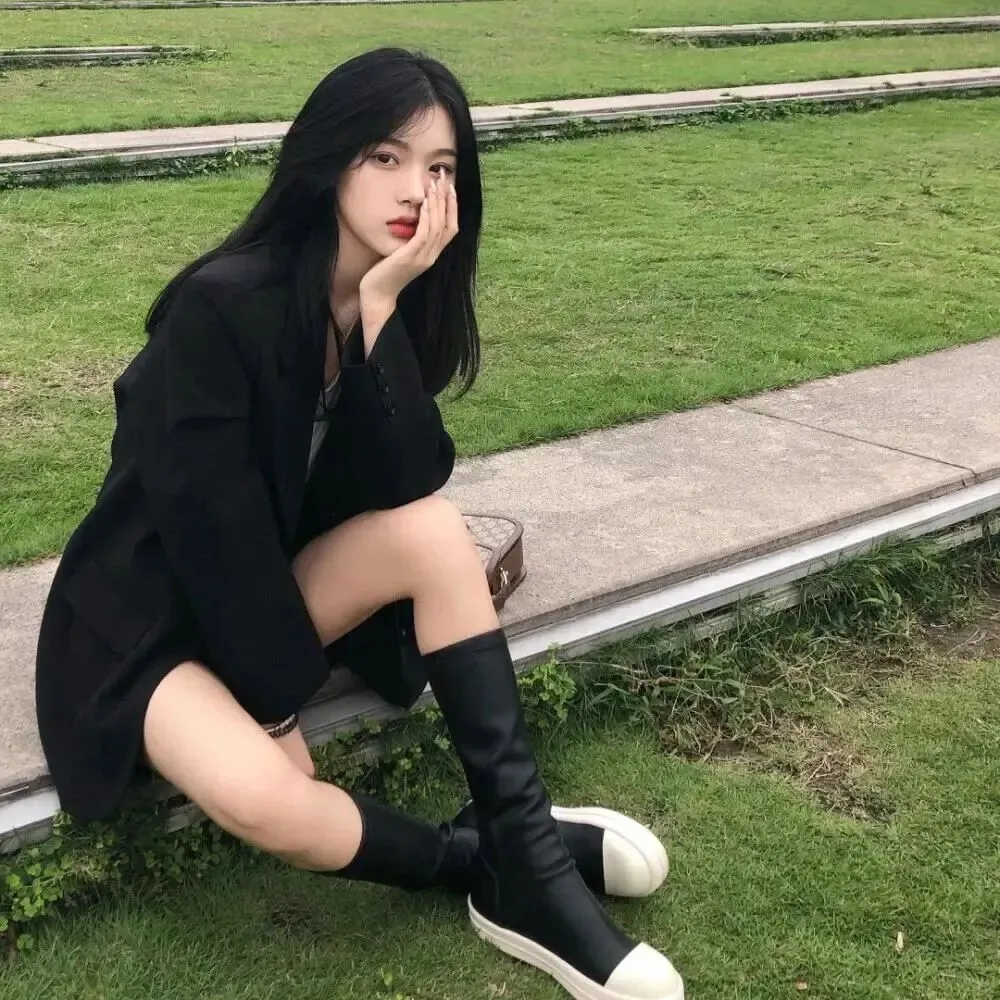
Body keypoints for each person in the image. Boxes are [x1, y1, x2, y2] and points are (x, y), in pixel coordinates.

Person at [33, 47, 684, 1000]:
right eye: (386, 156)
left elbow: (411, 479)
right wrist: (274, 704)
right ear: (329, 158)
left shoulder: (390, 296)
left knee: (433, 531)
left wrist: (381, 314)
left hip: (271, 588)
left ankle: (525, 848)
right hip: (148, 620)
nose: (415, 189)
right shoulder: (222, 307)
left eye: (440, 166)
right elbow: (209, 534)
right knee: (270, 801)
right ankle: (484, 861)